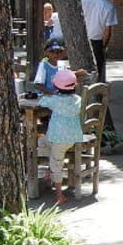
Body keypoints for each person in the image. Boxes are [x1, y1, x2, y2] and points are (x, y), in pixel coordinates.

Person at [37, 69, 85, 205]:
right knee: (42, 141)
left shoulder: (54, 100)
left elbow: (41, 102)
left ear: (56, 87)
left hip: (58, 140)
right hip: (73, 138)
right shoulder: (78, 99)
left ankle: (59, 195)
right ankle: (49, 171)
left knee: (56, 162)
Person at [82, 0, 118, 82]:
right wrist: (102, 47)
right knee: (98, 73)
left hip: (84, 39)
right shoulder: (109, 6)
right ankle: (98, 96)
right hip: (98, 42)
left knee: (82, 73)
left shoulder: (84, 2)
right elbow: (107, 31)